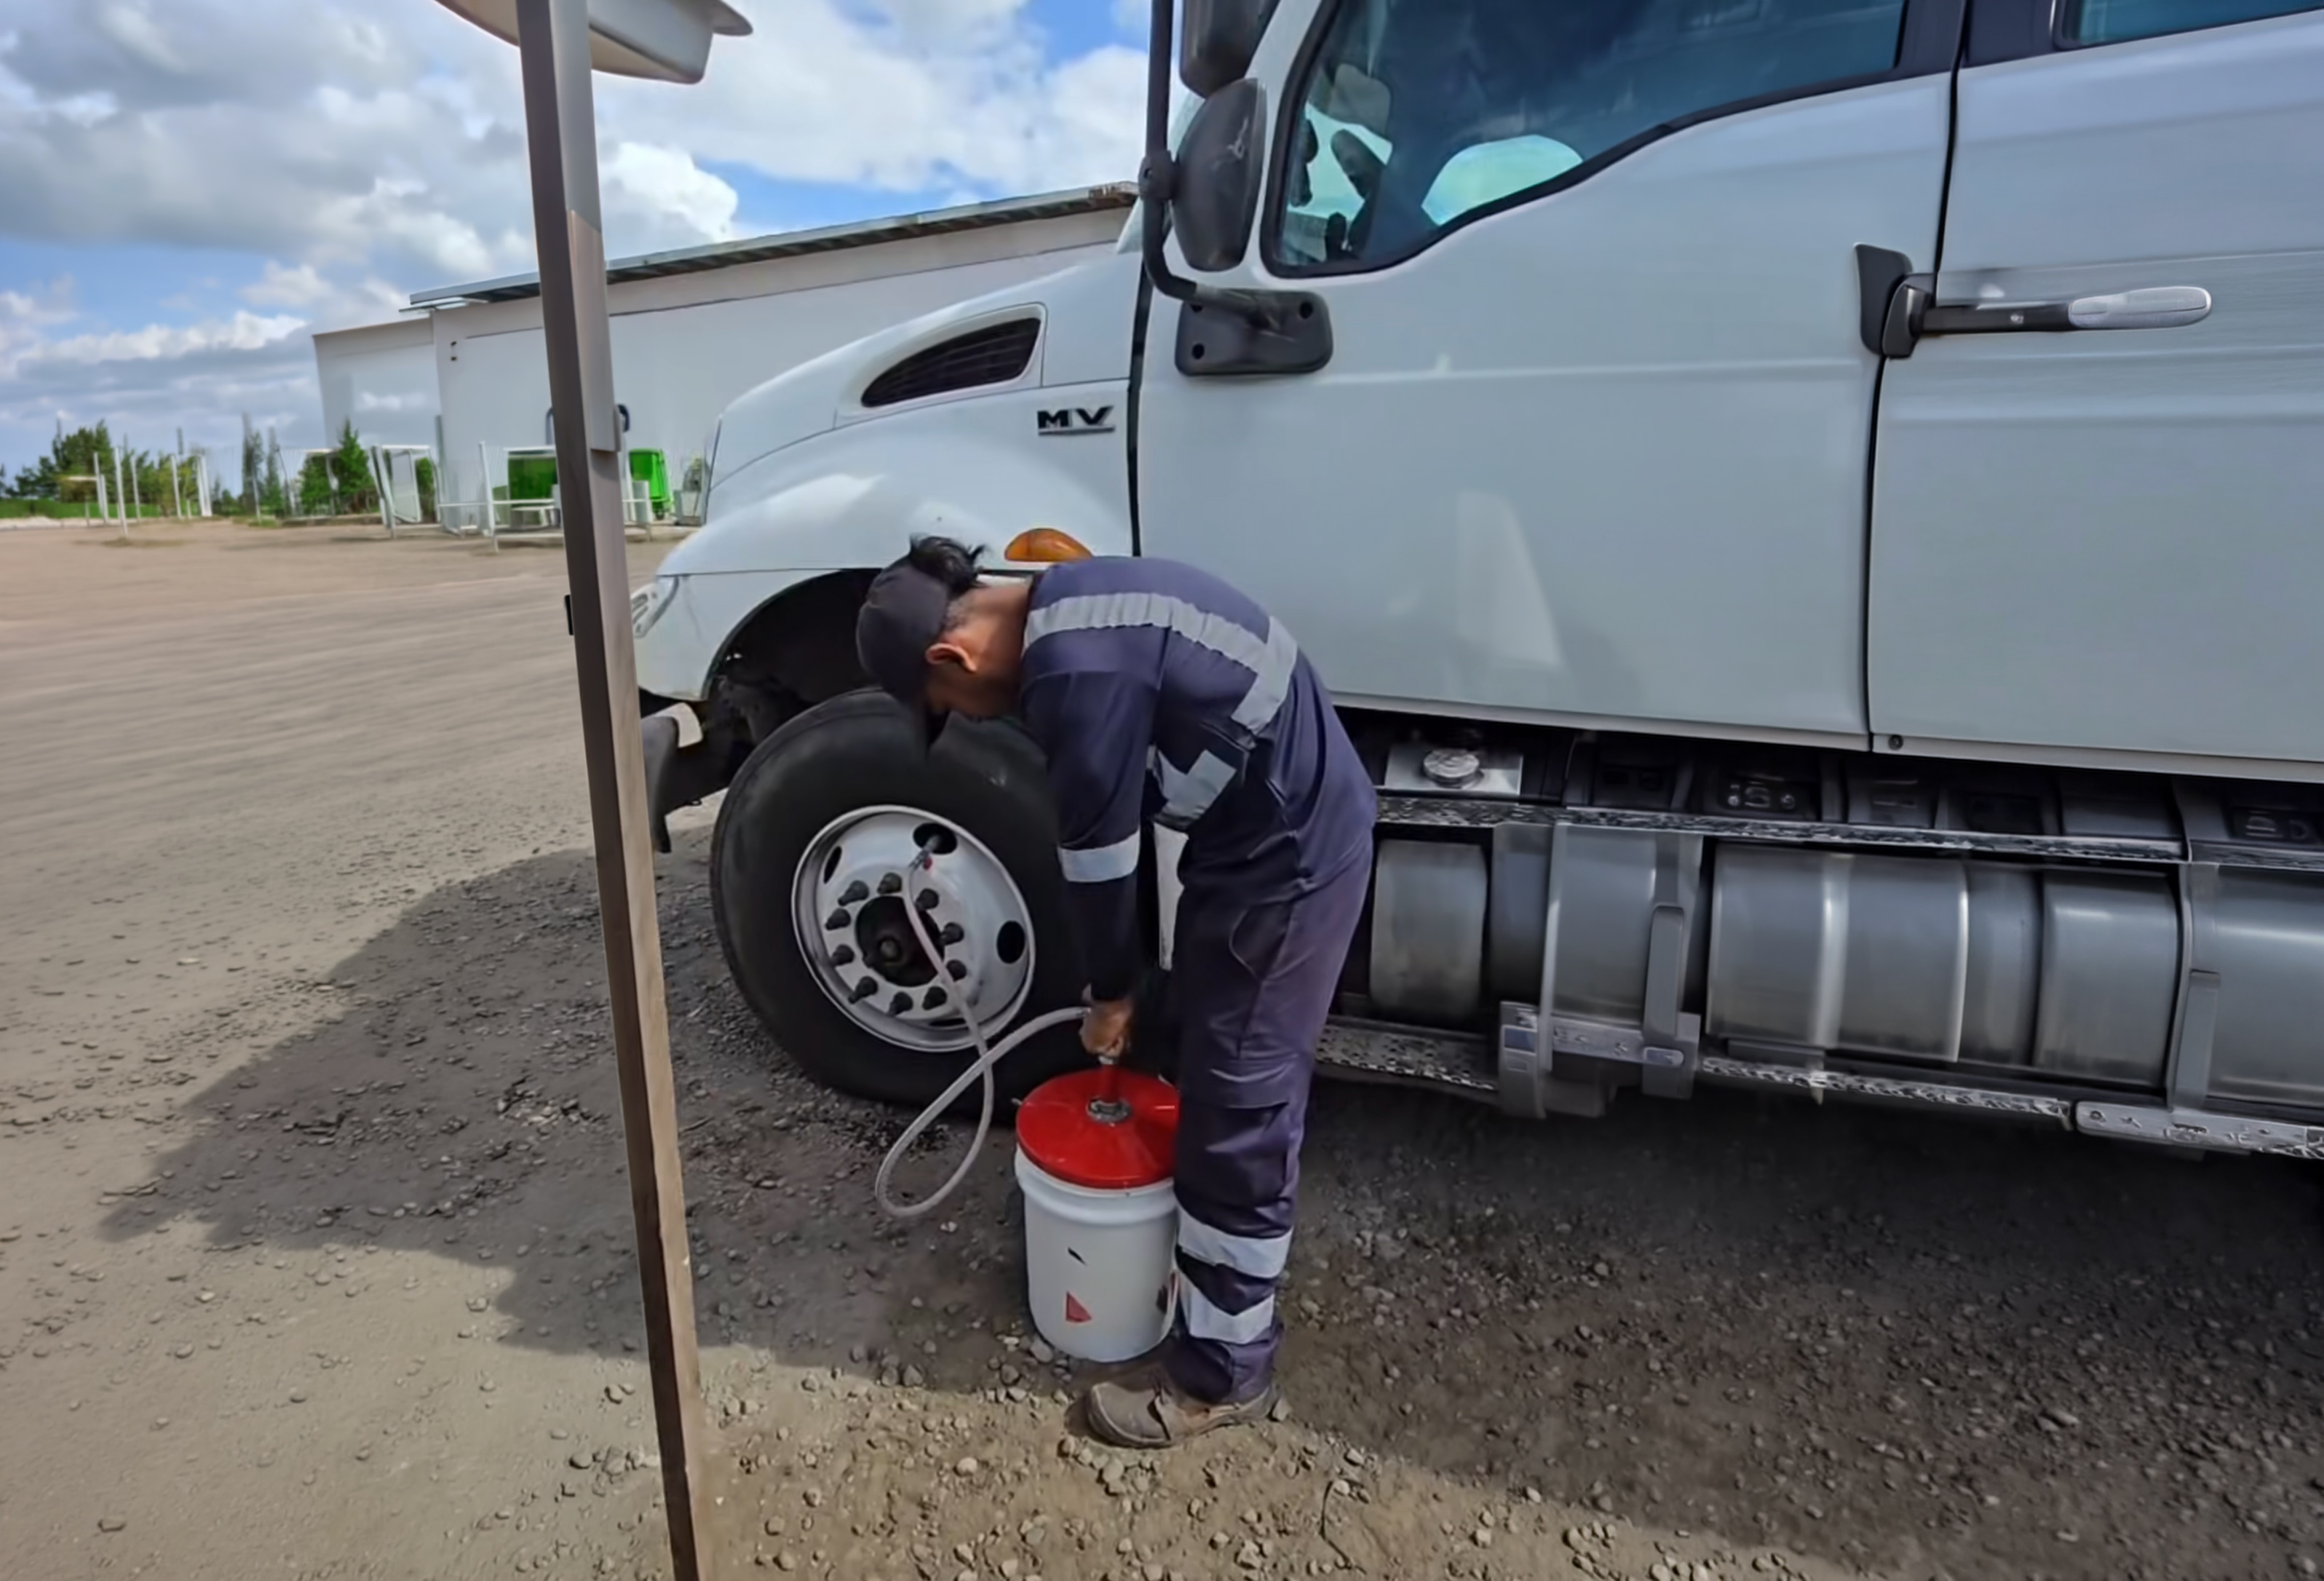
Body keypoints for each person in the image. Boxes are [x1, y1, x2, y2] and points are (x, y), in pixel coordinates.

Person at [854, 536, 1377, 1447]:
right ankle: (1194, 1255)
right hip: (1247, 840)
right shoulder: (1072, 597)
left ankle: (1222, 1373)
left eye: (949, 707)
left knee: (1237, 1099)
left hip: (1289, 859)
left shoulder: (1073, 672)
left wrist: (1109, 995)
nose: (971, 718)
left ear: (954, 657)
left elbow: (1099, 869)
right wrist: (1136, 994)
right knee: (1196, 1047)